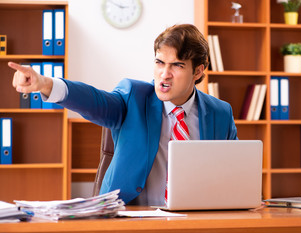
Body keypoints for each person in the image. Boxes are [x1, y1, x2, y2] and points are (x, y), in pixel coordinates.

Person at [8, 24, 238, 206]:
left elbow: (235, 173)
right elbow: (95, 100)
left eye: (177, 65)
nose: (164, 74)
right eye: (159, 62)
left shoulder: (220, 112)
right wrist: (45, 83)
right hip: (133, 219)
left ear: (198, 70)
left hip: (198, 221)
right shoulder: (134, 97)